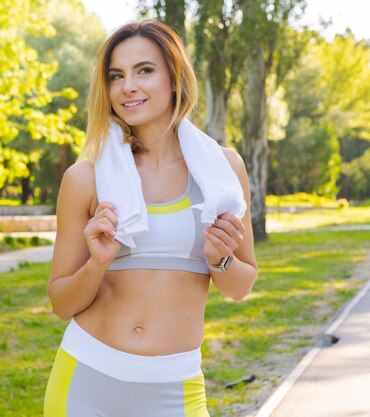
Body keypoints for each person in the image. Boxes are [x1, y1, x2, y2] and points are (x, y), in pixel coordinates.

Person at [44, 20, 257, 416]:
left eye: (144, 70)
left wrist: (219, 258)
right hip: (87, 380)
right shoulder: (86, 177)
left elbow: (240, 285)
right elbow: (61, 302)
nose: (128, 86)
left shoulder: (222, 171)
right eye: (116, 76)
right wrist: (97, 263)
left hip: (174, 388)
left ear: (175, 78)